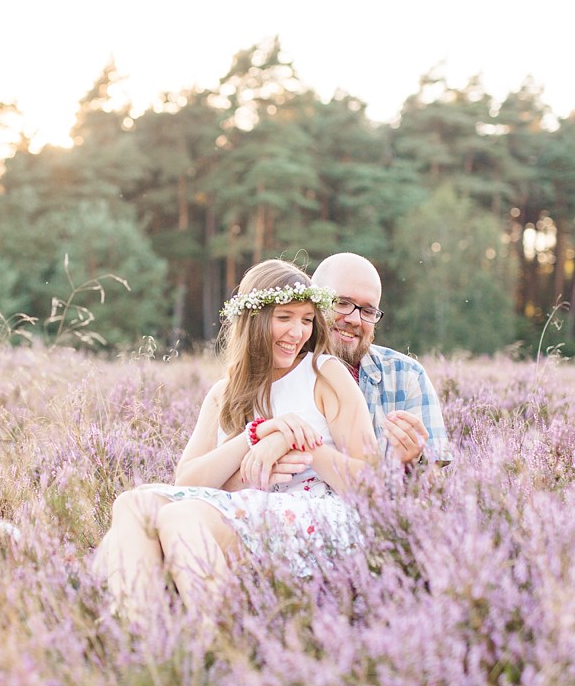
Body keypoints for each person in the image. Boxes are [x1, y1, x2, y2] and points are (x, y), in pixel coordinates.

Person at [92, 260, 379, 620]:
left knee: (182, 516)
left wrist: (303, 445)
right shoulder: (225, 392)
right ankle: (145, 639)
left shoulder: (324, 373)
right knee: (133, 504)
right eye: (284, 317)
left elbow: (370, 484)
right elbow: (189, 480)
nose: (297, 332)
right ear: (253, 320)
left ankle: (216, 646)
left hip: (317, 516)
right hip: (247, 509)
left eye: (307, 320)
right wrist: (256, 435)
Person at [310, 252, 452, 469]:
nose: (355, 319)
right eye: (342, 303)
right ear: (314, 302)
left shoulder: (406, 375)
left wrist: (413, 465)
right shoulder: (279, 371)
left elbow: (437, 486)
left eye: (368, 311)